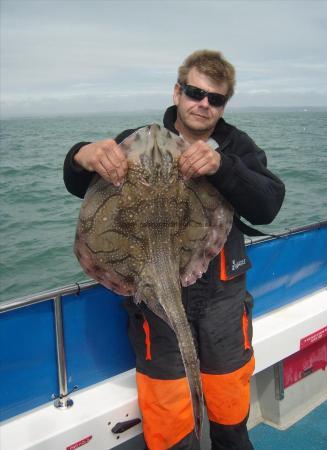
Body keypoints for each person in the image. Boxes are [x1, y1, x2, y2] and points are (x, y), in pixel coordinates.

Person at [63, 50, 285, 450]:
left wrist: (222, 167)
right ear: (177, 91)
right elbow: (78, 181)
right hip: (149, 289)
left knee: (229, 409)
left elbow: (269, 204)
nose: (203, 103)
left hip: (222, 297)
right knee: (169, 417)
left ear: (223, 105)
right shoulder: (134, 141)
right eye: (195, 92)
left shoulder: (237, 146)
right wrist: (81, 153)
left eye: (214, 98)